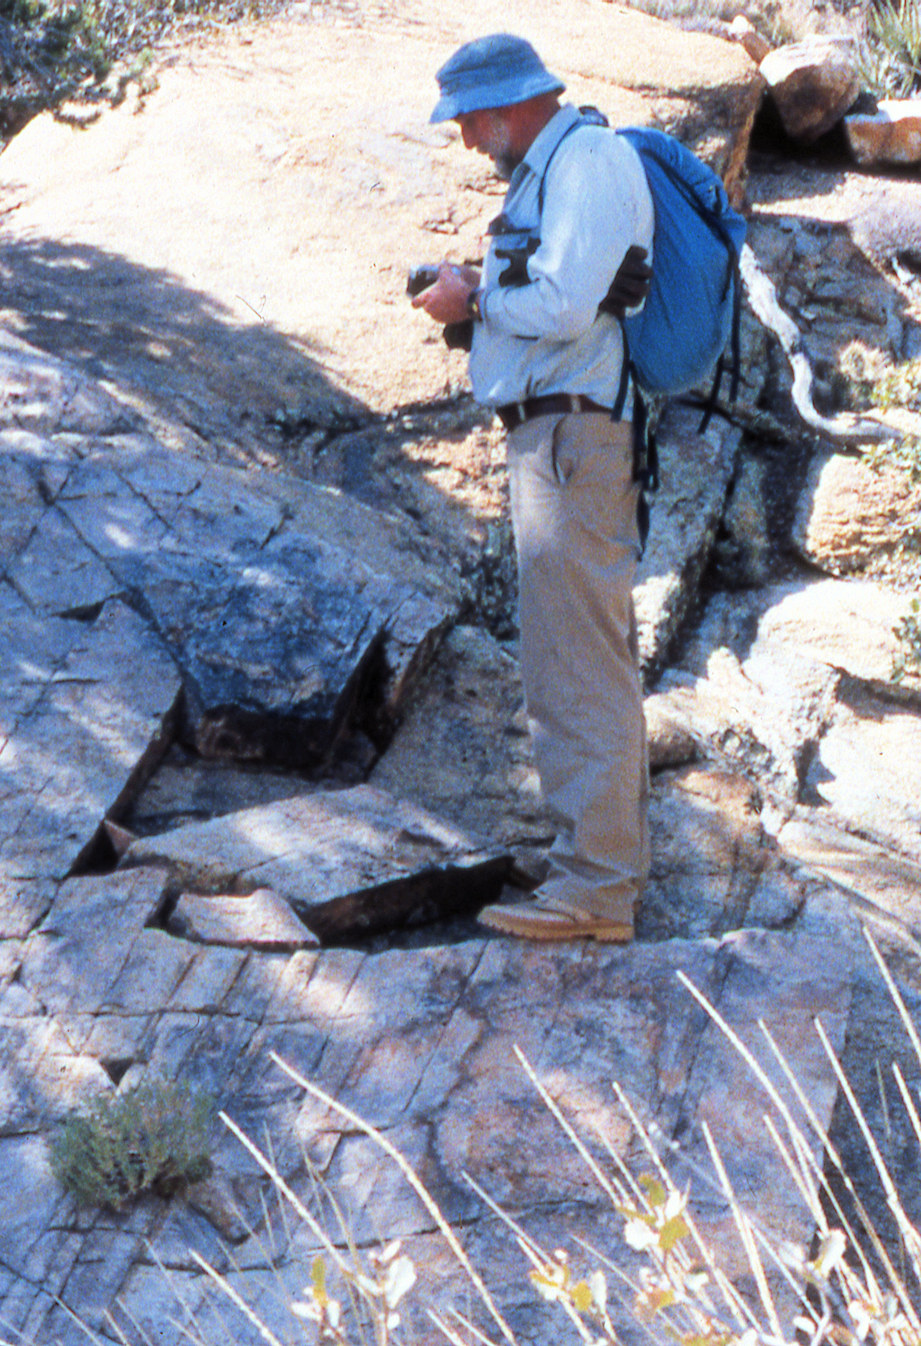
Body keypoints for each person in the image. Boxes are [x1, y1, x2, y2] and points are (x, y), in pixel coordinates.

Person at [411, 34, 655, 943]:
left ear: (507, 105)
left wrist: (473, 304)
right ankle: (604, 865)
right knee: (588, 654)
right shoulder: (551, 170)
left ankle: (594, 890)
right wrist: (480, 288)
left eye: (470, 120)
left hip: (571, 436)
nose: (468, 140)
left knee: (571, 662)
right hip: (558, 434)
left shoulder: (586, 158)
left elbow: (560, 306)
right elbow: (559, 291)